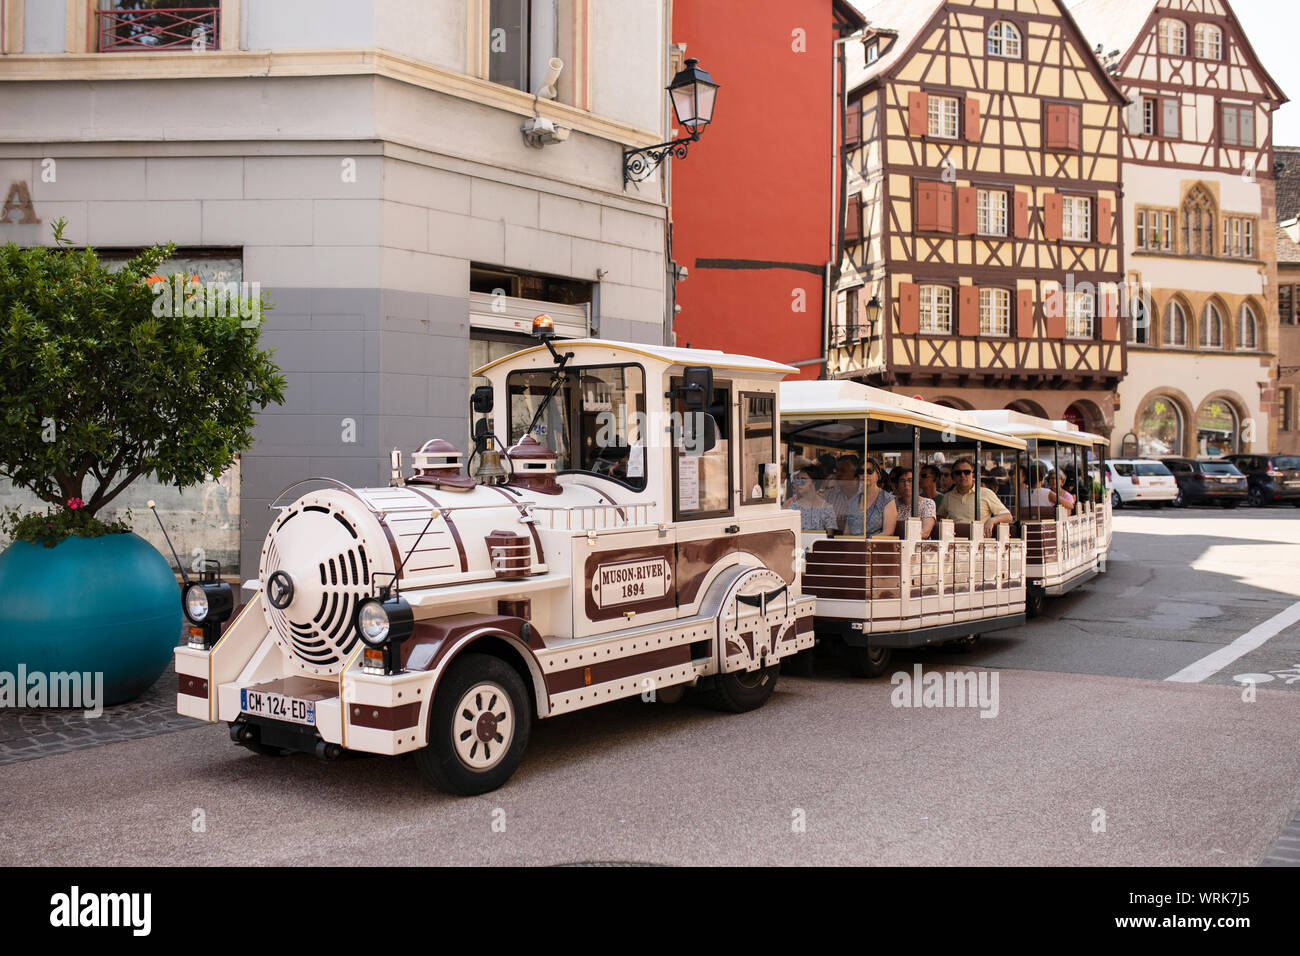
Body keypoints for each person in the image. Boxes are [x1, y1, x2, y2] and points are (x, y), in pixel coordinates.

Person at [938, 456, 1012, 535]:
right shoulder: (947, 497)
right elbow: (939, 518)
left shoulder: (986, 493)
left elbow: (1007, 516)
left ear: (973, 475)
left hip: (979, 542)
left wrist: (992, 520)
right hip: (954, 541)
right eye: (958, 473)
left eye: (967, 472)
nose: (962, 475)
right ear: (953, 477)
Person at [784, 467, 837, 532]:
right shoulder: (793, 506)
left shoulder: (827, 508)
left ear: (814, 482)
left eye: (803, 480)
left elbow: (829, 536)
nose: (798, 483)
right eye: (797, 480)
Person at [891, 466, 936, 538]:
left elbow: (926, 532)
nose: (906, 484)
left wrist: (908, 537)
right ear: (897, 485)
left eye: (910, 480)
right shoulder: (891, 503)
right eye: (902, 481)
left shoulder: (927, 503)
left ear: (917, 483)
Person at [823, 456, 863, 530]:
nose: (838, 474)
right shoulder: (828, 495)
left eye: (842, 470)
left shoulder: (867, 493)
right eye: (837, 470)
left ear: (856, 473)